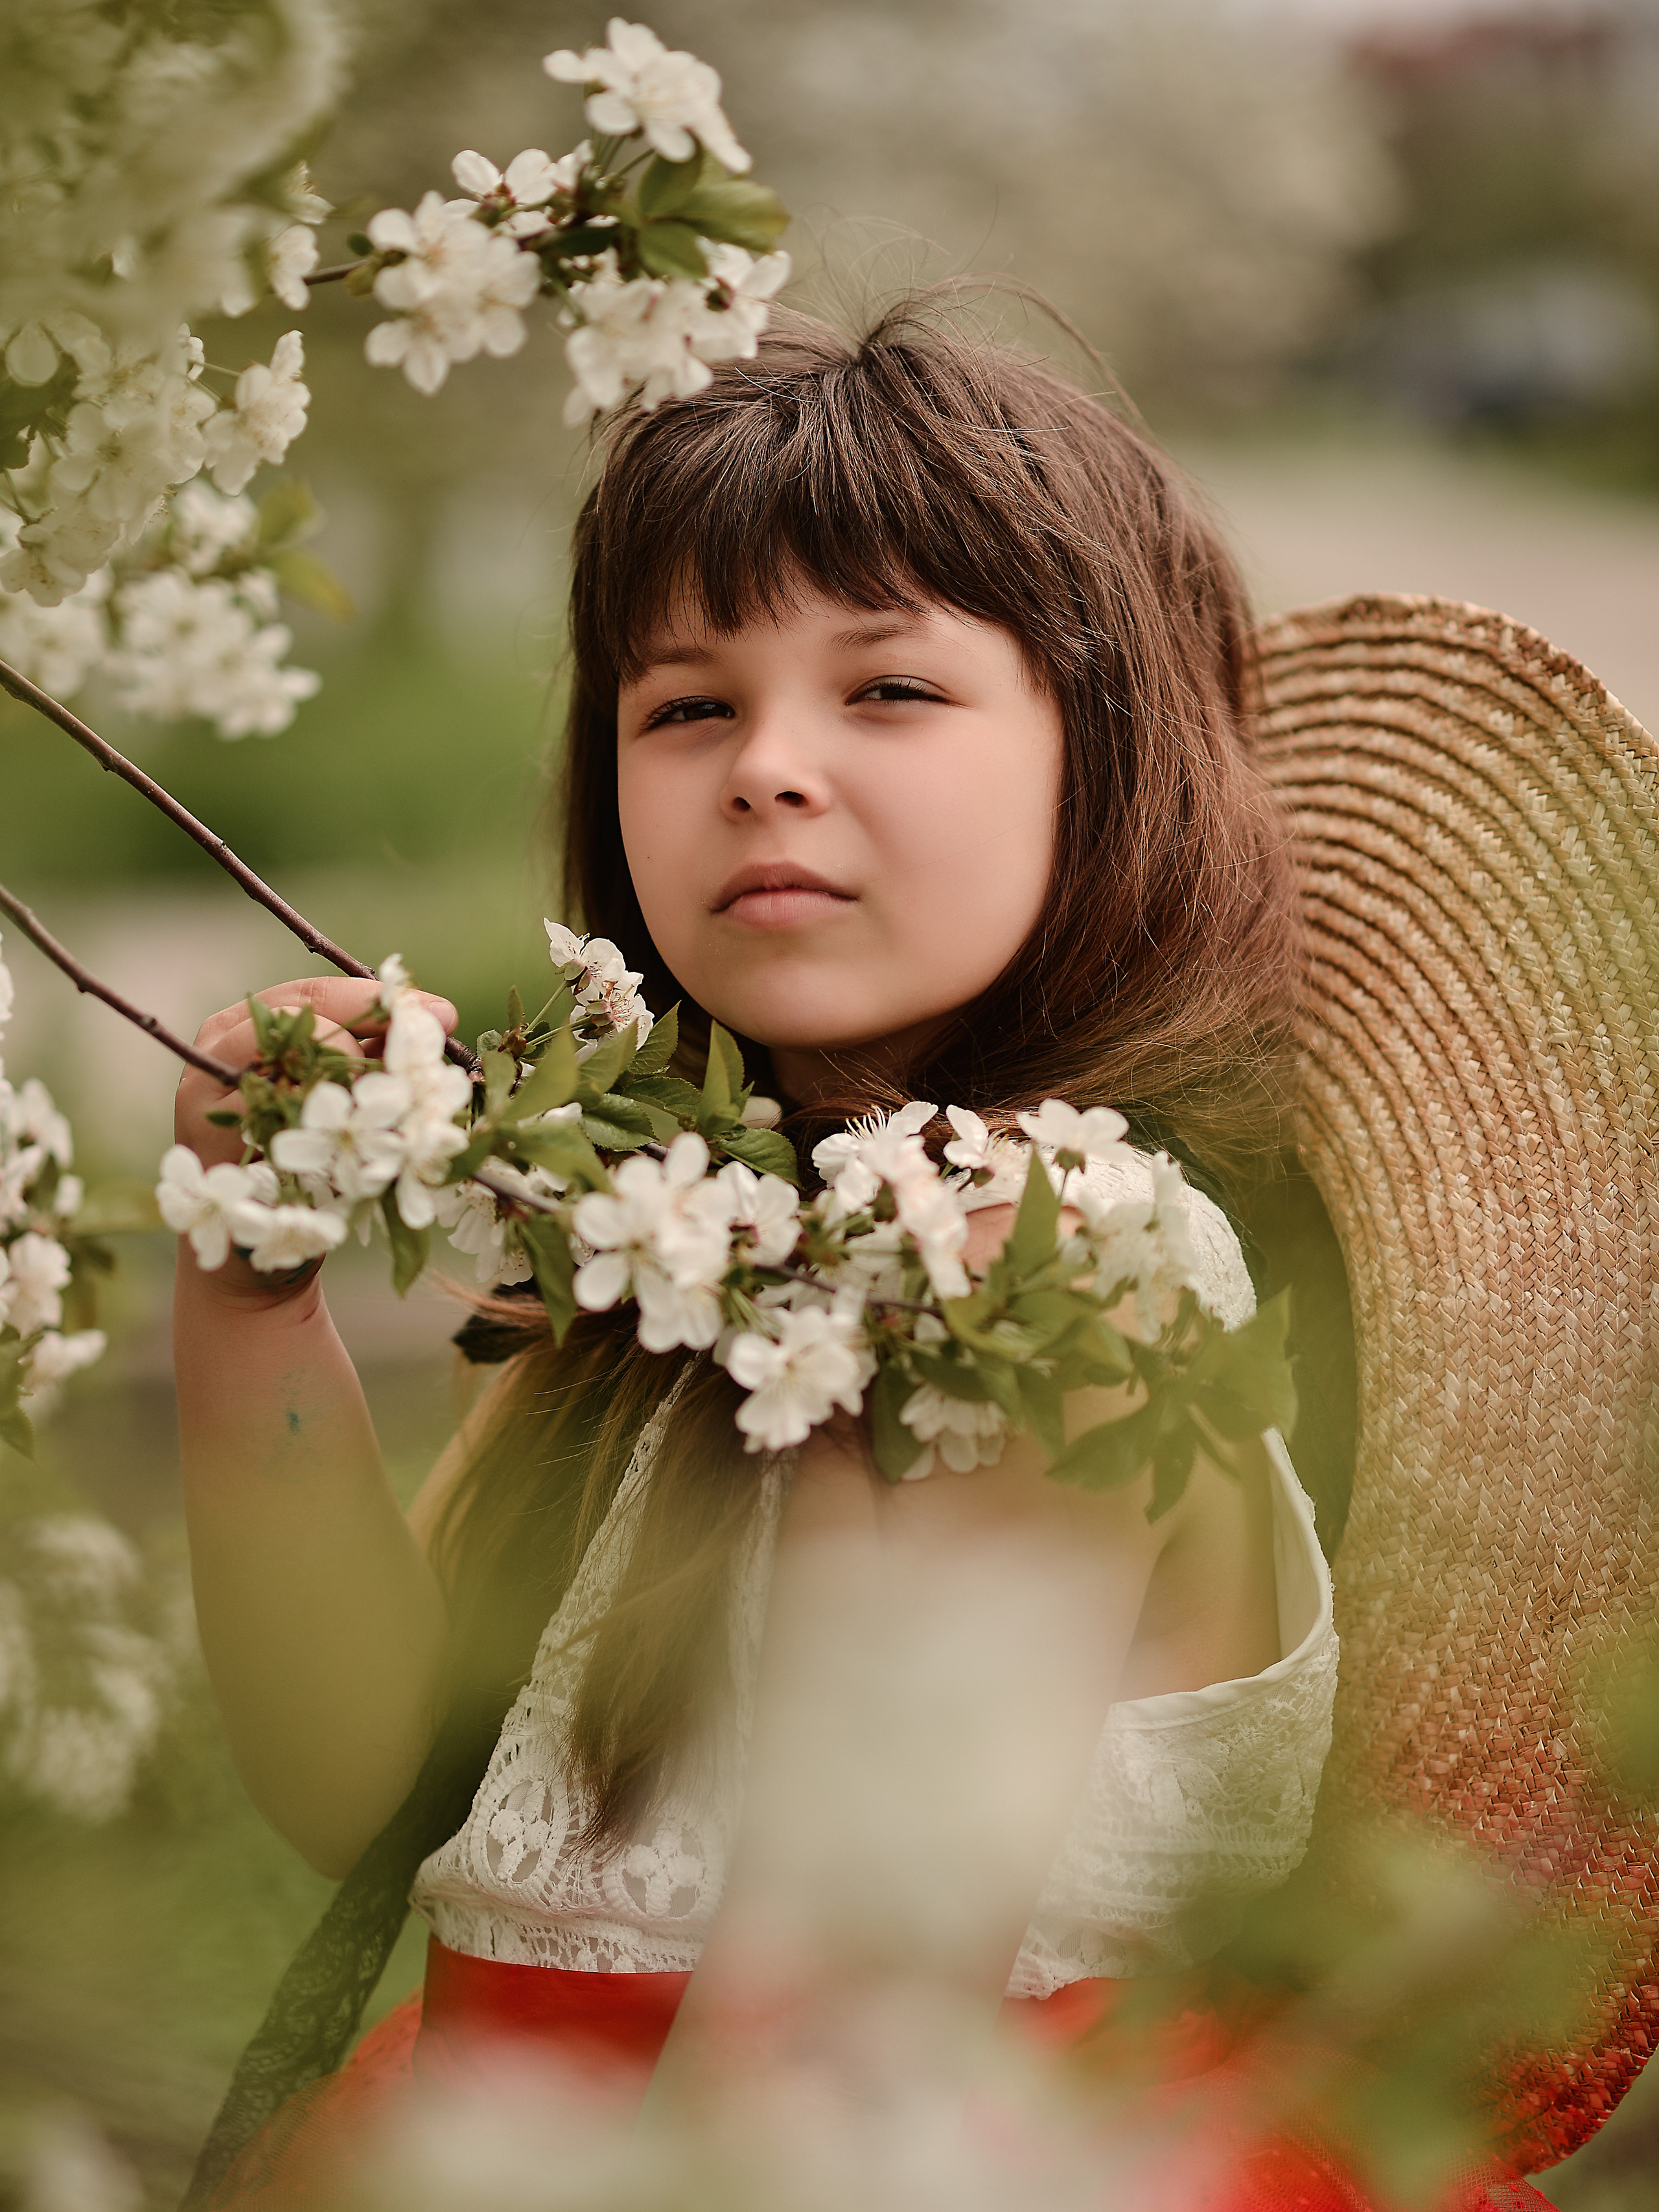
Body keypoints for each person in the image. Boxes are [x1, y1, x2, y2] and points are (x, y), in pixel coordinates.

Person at [171, 305, 1556, 2211]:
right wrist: (255, 1295)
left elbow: (843, 2016)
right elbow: (361, 1786)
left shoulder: (1042, 1256)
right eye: (686, 705)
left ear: (1106, 760)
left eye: (888, 690)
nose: (769, 767)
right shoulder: (683, 1257)